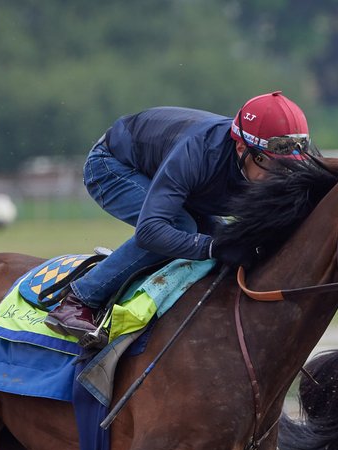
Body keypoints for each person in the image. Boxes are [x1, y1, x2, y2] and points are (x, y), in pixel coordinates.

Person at [45, 91, 312, 348]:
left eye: (288, 165)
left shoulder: (281, 154)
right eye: (273, 165)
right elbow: (150, 231)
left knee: (224, 235)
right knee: (181, 228)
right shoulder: (198, 151)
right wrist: (213, 247)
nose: (281, 176)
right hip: (113, 165)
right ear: (242, 147)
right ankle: (79, 299)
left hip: (182, 183)